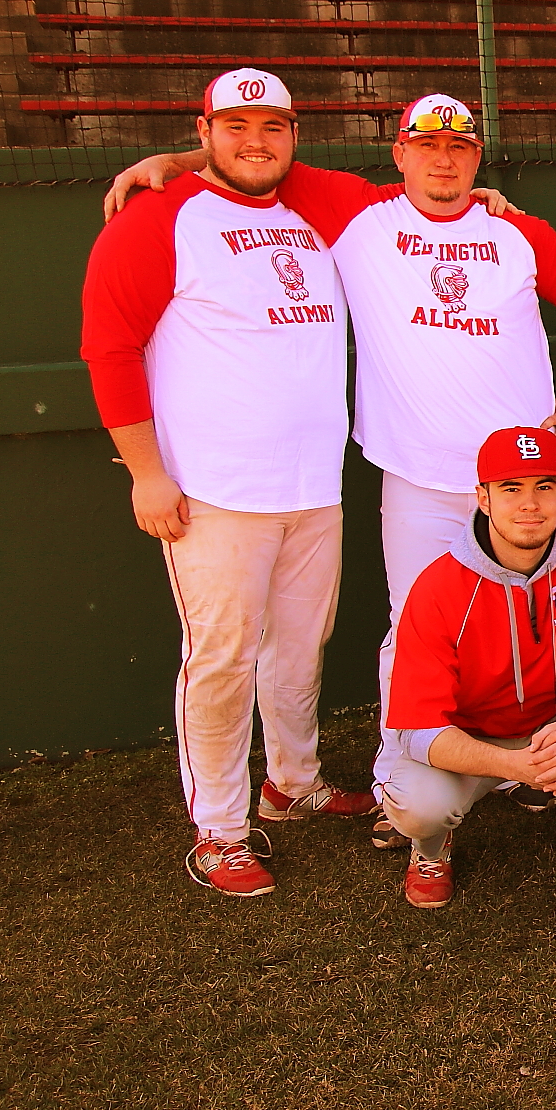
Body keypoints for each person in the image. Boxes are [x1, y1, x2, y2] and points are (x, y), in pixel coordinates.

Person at [104, 91, 556, 766]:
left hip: (520, 479)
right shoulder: (360, 215)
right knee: (416, 629)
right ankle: (401, 777)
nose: (443, 161)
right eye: (426, 146)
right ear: (399, 154)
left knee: (526, 620)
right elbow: (256, 158)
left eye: (459, 147)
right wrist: (175, 159)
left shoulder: (517, 231)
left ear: (477, 156)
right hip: (416, 474)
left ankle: (520, 758)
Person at [80, 69, 374, 898]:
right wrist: (145, 474)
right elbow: (109, 347)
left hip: (313, 485)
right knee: (220, 660)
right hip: (213, 491)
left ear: (294, 134)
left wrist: (488, 194)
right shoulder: (157, 217)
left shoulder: (315, 210)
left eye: (273, 126)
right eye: (235, 125)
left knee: (298, 647)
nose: (256, 141)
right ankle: (219, 830)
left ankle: (293, 781)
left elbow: (420, 190)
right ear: (202, 126)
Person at [379, 428, 556, 908]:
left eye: (544, 486)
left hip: (555, 721)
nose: (530, 504)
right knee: (419, 805)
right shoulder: (437, 588)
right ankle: (431, 851)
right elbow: (416, 729)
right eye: (512, 488)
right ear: (483, 498)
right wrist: (516, 767)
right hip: (469, 739)